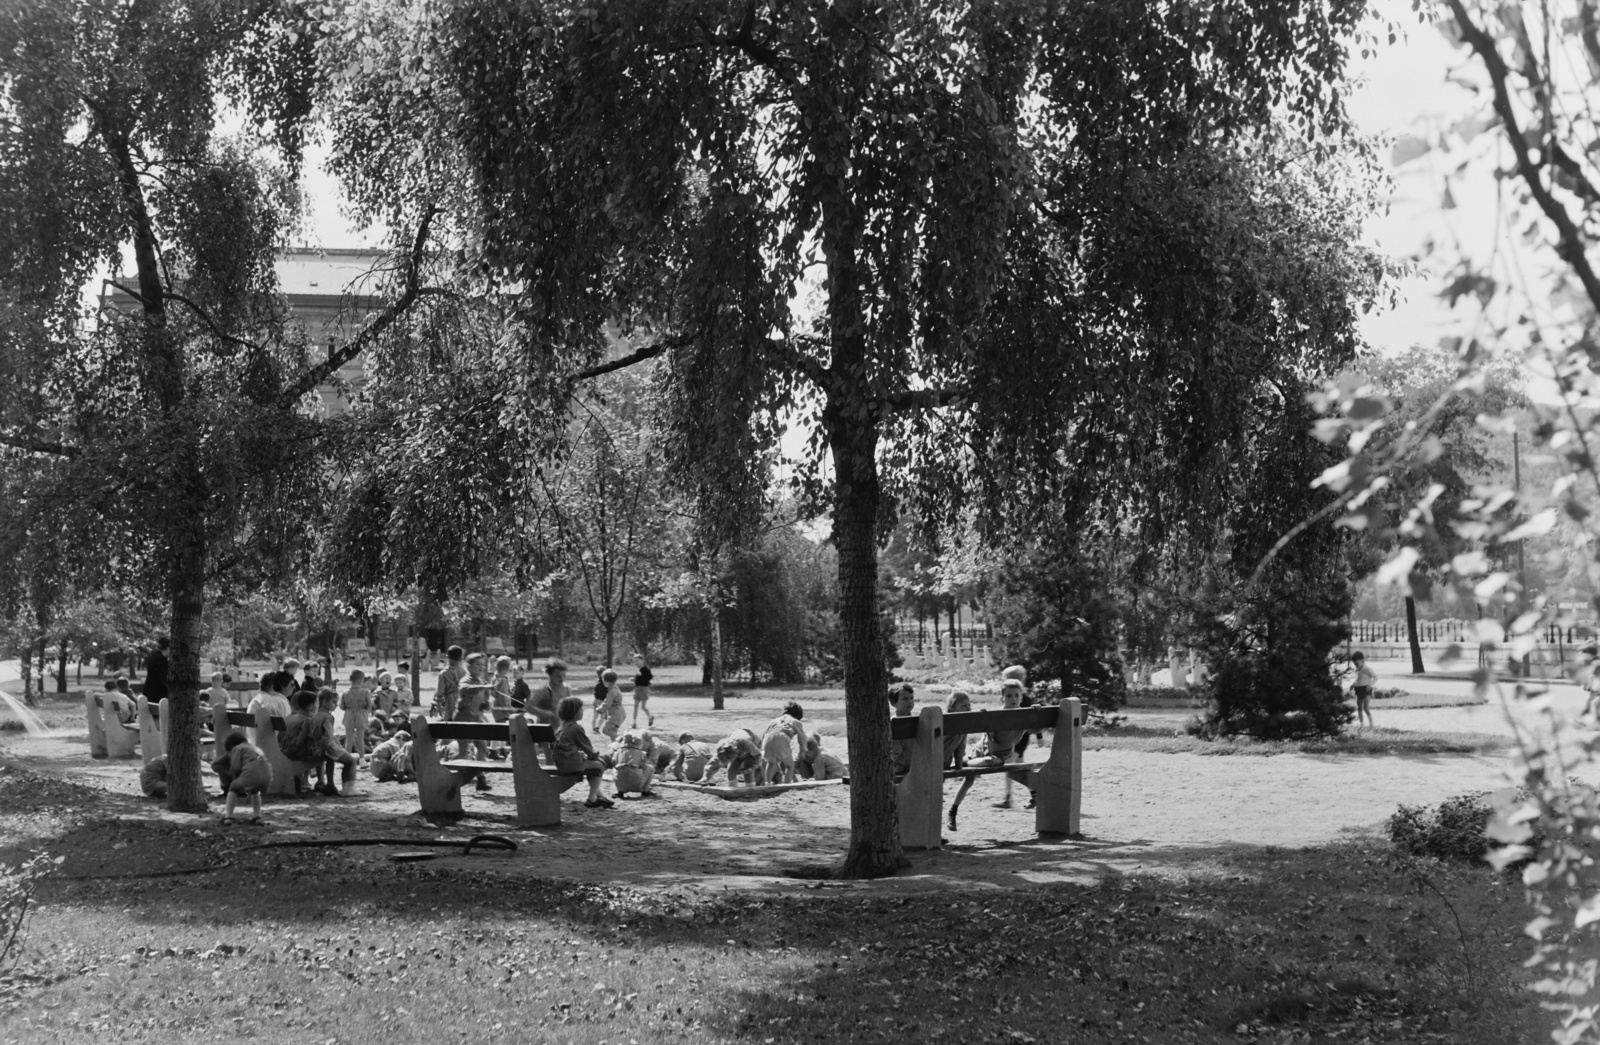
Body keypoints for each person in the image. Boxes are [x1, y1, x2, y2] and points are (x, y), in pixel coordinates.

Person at [947, 677, 1036, 831]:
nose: (1013, 699)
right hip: (984, 752)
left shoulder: (1023, 715)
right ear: (1002, 698)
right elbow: (989, 739)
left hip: (998, 757)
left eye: (1016, 695)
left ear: (1021, 697)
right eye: (1009, 696)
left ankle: (967, 764)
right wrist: (987, 755)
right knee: (971, 779)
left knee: (992, 764)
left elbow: (1035, 730)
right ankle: (952, 811)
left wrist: (1036, 712)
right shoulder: (998, 716)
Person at [552, 695, 611, 808]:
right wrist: (596, 757)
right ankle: (592, 799)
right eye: (581, 709)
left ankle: (599, 796)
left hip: (561, 762)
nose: (583, 711)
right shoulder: (576, 728)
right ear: (574, 712)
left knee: (593, 766)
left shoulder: (562, 727)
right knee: (600, 766)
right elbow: (588, 748)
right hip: (572, 764)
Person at [455, 653, 494, 792]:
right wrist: (487, 687)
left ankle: (480, 778)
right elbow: (464, 690)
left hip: (476, 719)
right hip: (464, 719)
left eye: (483, 665)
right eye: (478, 665)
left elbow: (481, 703)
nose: (481, 668)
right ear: (469, 666)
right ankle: (457, 780)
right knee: (464, 751)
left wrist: (485, 704)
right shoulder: (466, 680)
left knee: (482, 747)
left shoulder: (481, 682)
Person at [219, 731, 271, 825]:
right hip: (267, 774)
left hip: (251, 771)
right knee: (255, 791)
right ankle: (257, 816)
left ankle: (228, 817)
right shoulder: (254, 747)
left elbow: (235, 767)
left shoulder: (237, 748)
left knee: (233, 788)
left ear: (231, 746)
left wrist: (233, 776)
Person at [314, 688, 358, 796]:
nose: (336, 705)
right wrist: (332, 745)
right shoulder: (327, 716)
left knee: (331, 760)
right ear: (324, 702)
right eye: (334, 702)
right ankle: (349, 788)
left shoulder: (315, 715)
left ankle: (331, 784)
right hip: (328, 746)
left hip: (317, 745)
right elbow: (328, 736)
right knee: (351, 761)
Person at [761, 701, 810, 784]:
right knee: (790, 765)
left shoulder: (773, 721)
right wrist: (802, 751)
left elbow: (763, 735)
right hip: (782, 737)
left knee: (771, 763)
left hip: (767, 739)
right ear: (797, 715)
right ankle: (787, 784)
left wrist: (763, 749)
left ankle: (767, 784)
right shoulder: (795, 721)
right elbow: (802, 737)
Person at [526, 658, 569, 727]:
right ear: (550, 675)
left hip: (562, 728)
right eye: (558, 676)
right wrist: (545, 713)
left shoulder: (567, 689)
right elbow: (529, 708)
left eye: (564, 675)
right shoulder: (543, 690)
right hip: (546, 728)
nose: (562, 678)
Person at [342, 670, 374, 760]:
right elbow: (369, 705)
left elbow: (341, 706)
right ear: (361, 680)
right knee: (360, 739)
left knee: (348, 739)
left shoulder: (345, 692)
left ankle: (346, 759)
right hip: (361, 715)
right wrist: (365, 712)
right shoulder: (365, 692)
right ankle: (362, 759)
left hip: (348, 715)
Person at [592, 669, 626, 741]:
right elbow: (607, 701)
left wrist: (599, 709)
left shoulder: (612, 691)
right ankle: (615, 748)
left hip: (615, 714)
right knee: (613, 732)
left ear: (604, 680)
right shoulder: (614, 688)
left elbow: (607, 704)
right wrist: (601, 706)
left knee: (606, 730)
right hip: (620, 712)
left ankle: (621, 739)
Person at [433, 645, 466, 720]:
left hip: (449, 702)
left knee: (450, 722)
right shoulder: (464, 672)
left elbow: (440, 693)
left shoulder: (443, 673)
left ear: (447, 657)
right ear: (461, 658)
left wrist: (439, 706)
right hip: (462, 701)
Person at [943, 690, 972, 770]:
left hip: (945, 763)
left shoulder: (963, 726)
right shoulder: (945, 725)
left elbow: (960, 748)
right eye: (964, 706)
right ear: (951, 709)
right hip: (933, 761)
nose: (968, 708)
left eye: (969, 705)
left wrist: (958, 765)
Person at [1350, 651, 1377, 729]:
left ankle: (1371, 724)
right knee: (1359, 708)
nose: (1356, 665)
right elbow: (1359, 679)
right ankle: (1361, 724)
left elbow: (1375, 677)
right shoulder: (1358, 669)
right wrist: (1353, 684)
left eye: (1357, 664)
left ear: (1362, 661)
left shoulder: (1367, 669)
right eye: (1355, 664)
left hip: (1366, 689)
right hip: (1358, 689)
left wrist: (1370, 685)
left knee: (1366, 707)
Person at [144, 635, 171, 704]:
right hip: (158, 694)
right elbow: (163, 677)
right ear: (168, 648)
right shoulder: (161, 659)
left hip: (149, 691)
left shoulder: (153, 656)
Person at [632, 661, 655, 728]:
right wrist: (634, 679)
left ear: (641, 661)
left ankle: (650, 717)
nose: (636, 662)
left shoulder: (646, 669)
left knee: (643, 706)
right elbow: (639, 679)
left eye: (637, 660)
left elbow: (650, 677)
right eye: (635, 660)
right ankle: (634, 723)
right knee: (636, 705)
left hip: (644, 688)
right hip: (637, 688)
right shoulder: (637, 669)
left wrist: (641, 675)